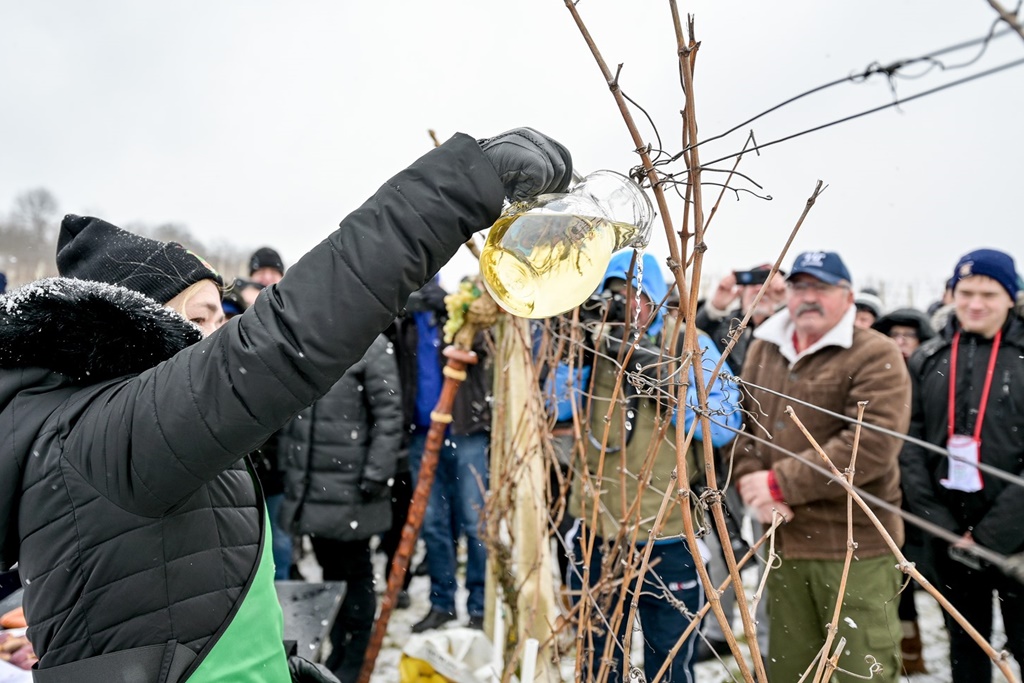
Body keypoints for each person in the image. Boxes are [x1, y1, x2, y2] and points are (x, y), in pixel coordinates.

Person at [0, 127, 572, 681]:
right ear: (135, 333)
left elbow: (188, 607)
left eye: (221, 318)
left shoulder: (135, 441)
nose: (218, 337)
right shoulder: (99, 440)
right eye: (197, 318)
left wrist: (281, 667)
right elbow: (285, 336)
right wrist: (461, 183)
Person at [731, 250, 910, 683]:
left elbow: (869, 445)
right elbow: (743, 426)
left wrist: (779, 485)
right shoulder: (764, 347)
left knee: (858, 670)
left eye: (822, 288)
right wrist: (751, 484)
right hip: (784, 543)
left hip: (854, 547)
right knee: (792, 670)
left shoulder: (875, 353)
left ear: (847, 297)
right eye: (799, 287)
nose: (808, 297)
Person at [565, 250, 742, 683]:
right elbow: (555, 406)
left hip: (669, 532)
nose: (627, 305)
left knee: (671, 660)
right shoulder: (592, 343)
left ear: (659, 298)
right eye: (616, 295)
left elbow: (724, 425)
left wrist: (668, 385)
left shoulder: (691, 343)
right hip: (598, 529)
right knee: (598, 658)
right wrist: (574, 351)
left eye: (636, 294)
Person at [899, 248, 1024, 683]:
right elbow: (909, 444)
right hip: (950, 537)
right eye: (965, 291)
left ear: (1011, 296)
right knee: (965, 650)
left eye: (988, 293)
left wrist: (991, 536)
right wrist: (938, 522)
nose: (974, 303)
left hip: (1016, 542)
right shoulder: (929, 357)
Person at [278, 332, 403, 682]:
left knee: (355, 573)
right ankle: (338, 646)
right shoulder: (311, 341)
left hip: (351, 486)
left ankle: (355, 654)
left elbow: (389, 414)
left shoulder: (372, 346)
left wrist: (375, 475)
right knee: (329, 572)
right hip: (313, 485)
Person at [410, 279, 494, 634]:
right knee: (433, 525)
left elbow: (484, 350)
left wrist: (452, 312)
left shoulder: (463, 310)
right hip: (420, 434)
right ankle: (441, 603)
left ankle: (479, 605)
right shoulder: (406, 321)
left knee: (475, 523)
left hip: (466, 432)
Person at [871, 306, 938, 674]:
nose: (900, 344)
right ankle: (910, 652)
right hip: (887, 491)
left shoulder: (931, 375)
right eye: (893, 336)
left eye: (907, 337)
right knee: (899, 575)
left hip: (925, 494)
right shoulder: (876, 376)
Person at [695, 264, 788, 374]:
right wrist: (715, 308)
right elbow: (693, 339)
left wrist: (787, 302)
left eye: (768, 284)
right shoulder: (723, 325)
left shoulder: (787, 327)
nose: (760, 288)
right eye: (754, 283)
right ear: (741, 291)